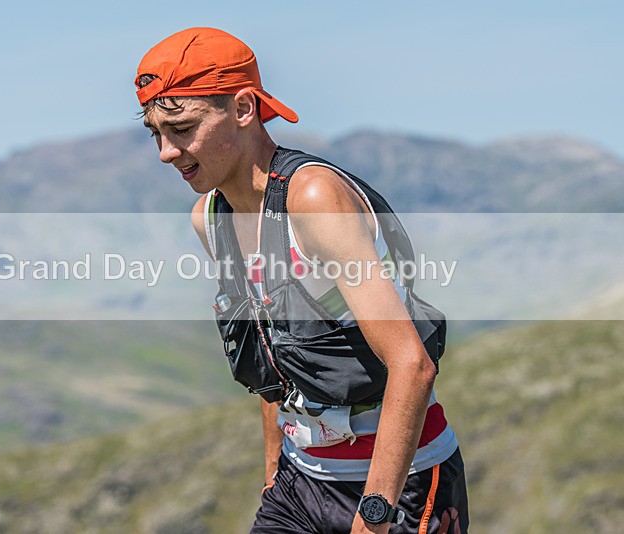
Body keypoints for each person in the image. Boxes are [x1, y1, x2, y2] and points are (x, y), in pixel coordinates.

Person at [134, 27, 469, 534]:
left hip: (399, 482)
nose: (165, 151)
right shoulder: (210, 217)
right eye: (154, 132)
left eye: (181, 128)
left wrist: (374, 518)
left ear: (244, 109)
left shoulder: (312, 198)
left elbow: (412, 364)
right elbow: (272, 358)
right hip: (301, 481)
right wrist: (274, 478)